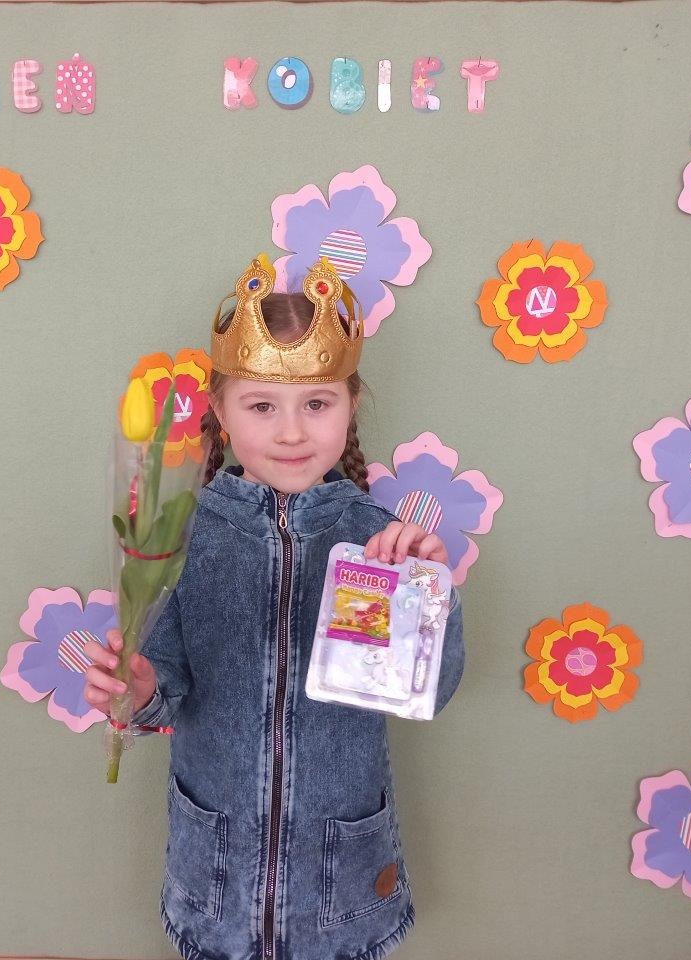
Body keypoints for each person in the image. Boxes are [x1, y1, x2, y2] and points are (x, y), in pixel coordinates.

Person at [83, 254, 465, 960]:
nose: (292, 432)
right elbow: (163, 690)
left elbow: (428, 692)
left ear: (351, 406)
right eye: (262, 406)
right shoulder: (178, 536)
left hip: (338, 867)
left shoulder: (378, 544)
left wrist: (425, 595)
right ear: (221, 414)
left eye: (317, 404)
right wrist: (137, 690)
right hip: (217, 862)